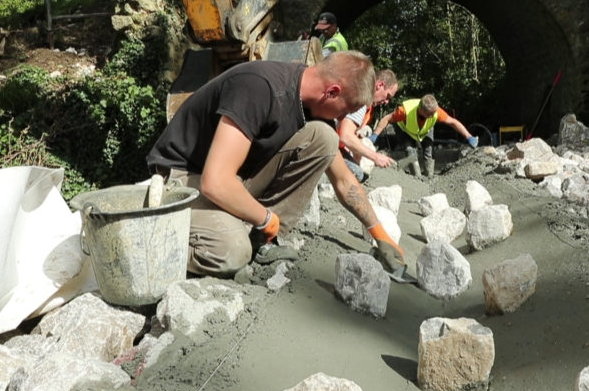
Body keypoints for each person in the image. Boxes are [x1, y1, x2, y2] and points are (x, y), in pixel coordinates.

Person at [146, 50, 405, 278]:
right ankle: (152, 244)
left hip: (231, 178)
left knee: (324, 138)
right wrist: (266, 217)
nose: (342, 119)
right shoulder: (259, 88)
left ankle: (258, 238)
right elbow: (215, 182)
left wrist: (380, 235)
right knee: (232, 252)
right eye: (344, 111)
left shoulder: (312, 105)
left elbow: (343, 179)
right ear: (332, 92)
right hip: (183, 178)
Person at [371, 94, 478, 177]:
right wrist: (375, 135)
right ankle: (416, 177)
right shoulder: (404, 112)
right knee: (410, 150)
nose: (433, 116)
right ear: (421, 110)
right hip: (405, 130)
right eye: (430, 114)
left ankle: (429, 176)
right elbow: (387, 119)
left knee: (429, 150)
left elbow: (453, 122)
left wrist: (469, 136)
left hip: (425, 130)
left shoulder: (435, 112)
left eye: (433, 113)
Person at [338, 69, 399, 182]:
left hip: (334, 145)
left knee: (357, 174)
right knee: (355, 174)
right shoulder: (361, 100)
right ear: (380, 85)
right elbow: (345, 136)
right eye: (387, 96)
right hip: (325, 146)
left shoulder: (368, 108)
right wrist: (376, 157)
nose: (386, 102)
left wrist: (356, 162)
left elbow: (354, 136)